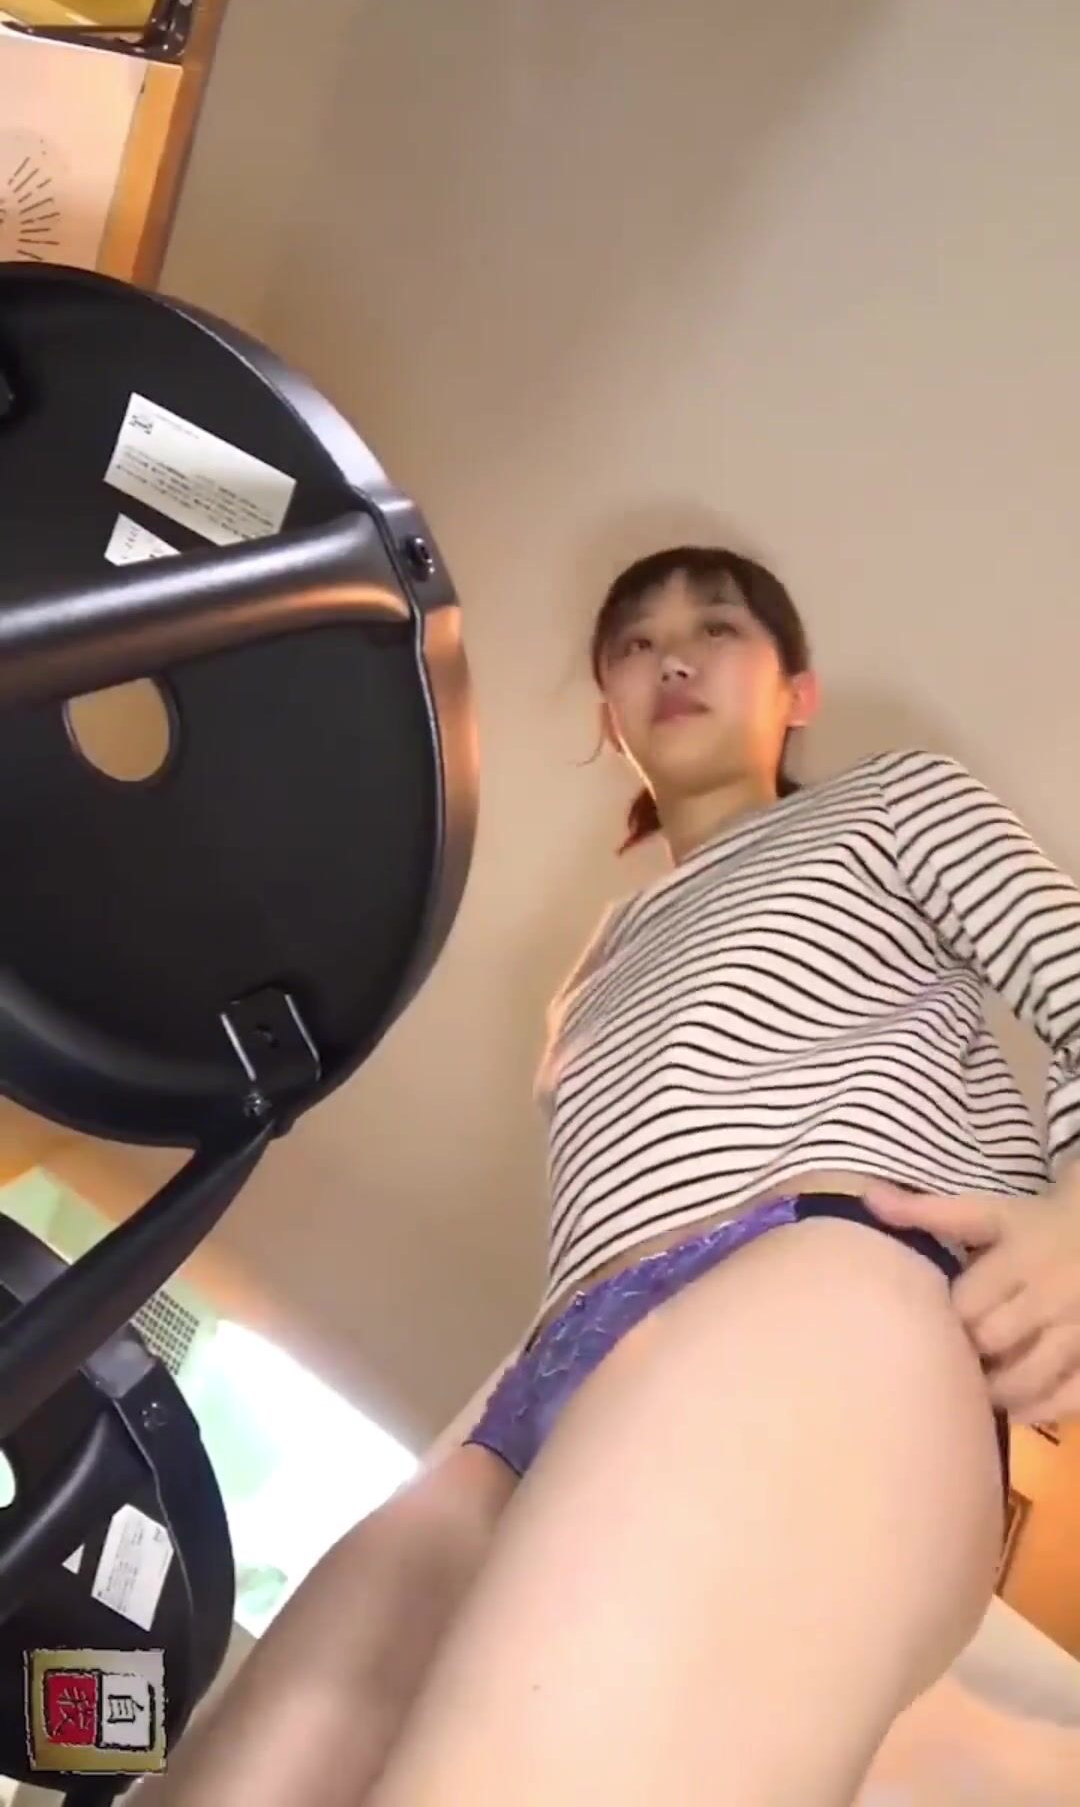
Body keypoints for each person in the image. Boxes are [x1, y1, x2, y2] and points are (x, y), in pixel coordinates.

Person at [149, 546, 1080, 1807]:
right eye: (634, 645)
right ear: (612, 719)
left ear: (797, 693)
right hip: (543, 1375)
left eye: (716, 629)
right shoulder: (591, 970)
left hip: (822, 1274)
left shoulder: (892, 802)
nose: (672, 657)